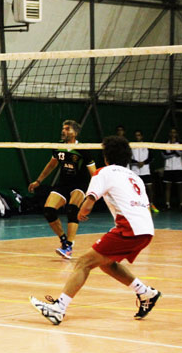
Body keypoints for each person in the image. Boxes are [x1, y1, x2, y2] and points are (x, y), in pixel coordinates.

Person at [30, 136, 161, 325]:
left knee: (84, 263)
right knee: (106, 263)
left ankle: (58, 309)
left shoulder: (104, 172)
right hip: (146, 229)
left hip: (128, 228)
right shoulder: (135, 177)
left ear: (106, 157)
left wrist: (82, 212)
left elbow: (89, 201)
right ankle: (146, 293)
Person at [28, 120, 97, 259]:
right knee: (48, 210)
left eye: (67, 129)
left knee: (72, 209)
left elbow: (94, 174)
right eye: (63, 128)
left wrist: (95, 194)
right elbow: (51, 165)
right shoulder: (58, 147)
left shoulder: (84, 149)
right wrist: (38, 181)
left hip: (80, 184)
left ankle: (69, 247)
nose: (63, 131)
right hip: (63, 184)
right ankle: (64, 241)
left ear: (75, 133)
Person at [130, 130, 158, 213]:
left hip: (145, 171)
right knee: (134, 189)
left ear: (142, 136)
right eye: (136, 135)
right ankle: (135, 205)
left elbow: (151, 157)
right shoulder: (131, 146)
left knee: (149, 188)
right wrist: (137, 163)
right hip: (135, 171)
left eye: (139, 135)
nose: (137, 136)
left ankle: (151, 204)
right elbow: (128, 158)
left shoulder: (147, 145)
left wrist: (143, 163)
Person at [162, 127, 182, 211]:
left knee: (180, 187)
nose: (173, 134)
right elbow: (164, 156)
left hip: (178, 168)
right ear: (169, 134)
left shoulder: (180, 143)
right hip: (168, 168)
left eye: (174, 132)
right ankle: (167, 204)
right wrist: (174, 152)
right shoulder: (165, 144)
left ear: (176, 134)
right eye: (171, 132)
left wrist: (172, 152)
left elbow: (180, 153)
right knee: (167, 187)